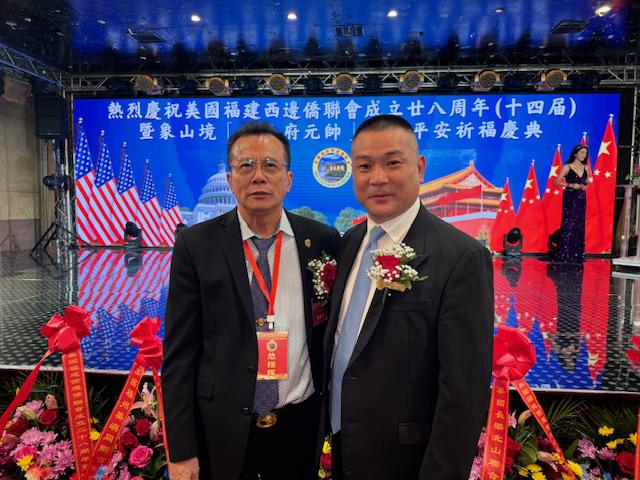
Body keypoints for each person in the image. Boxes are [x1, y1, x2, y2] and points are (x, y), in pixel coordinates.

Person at [162, 122, 340, 480]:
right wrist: (181, 450)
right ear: (230, 180)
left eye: (270, 165)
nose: (258, 176)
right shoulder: (196, 245)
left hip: (300, 426)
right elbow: (179, 356)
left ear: (288, 179)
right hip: (222, 428)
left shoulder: (322, 240)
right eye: (246, 166)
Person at [322, 115, 494, 480]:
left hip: (407, 460)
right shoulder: (350, 243)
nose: (377, 178)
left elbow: (464, 392)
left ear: (419, 167)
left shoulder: (460, 257)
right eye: (364, 166)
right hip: (343, 447)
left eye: (392, 163)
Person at [554, 145, 591, 263]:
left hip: (581, 197)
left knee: (579, 223)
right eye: (582, 152)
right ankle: (565, 252)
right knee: (569, 222)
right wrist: (570, 185)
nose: (584, 155)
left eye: (585, 153)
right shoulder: (567, 167)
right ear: (575, 154)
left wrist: (585, 186)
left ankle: (577, 253)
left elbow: (587, 182)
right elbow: (557, 181)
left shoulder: (586, 167)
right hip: (570, 196)